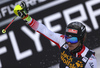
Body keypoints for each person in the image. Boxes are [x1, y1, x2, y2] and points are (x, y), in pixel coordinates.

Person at [13, 1, 97, 68]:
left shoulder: (89, 59)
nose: (69, 43)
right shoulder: (62, 41)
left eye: (73, 39)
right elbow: (45, 31)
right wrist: (26, 18)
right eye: (67, 38)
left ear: (81, 40)